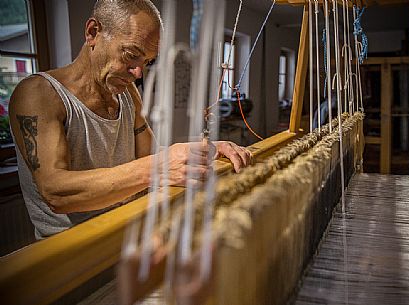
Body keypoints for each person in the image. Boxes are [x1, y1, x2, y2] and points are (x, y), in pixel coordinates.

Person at [8, 0, 252, 239]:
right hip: (72, 259)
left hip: (129, 237)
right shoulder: (38, 93)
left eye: (146, 62)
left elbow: (151, 156)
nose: (137, 73)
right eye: (130, 55)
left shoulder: (127, 93)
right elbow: (56, 193)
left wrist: (207, 151)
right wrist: (159, 167)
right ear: (93, 32)